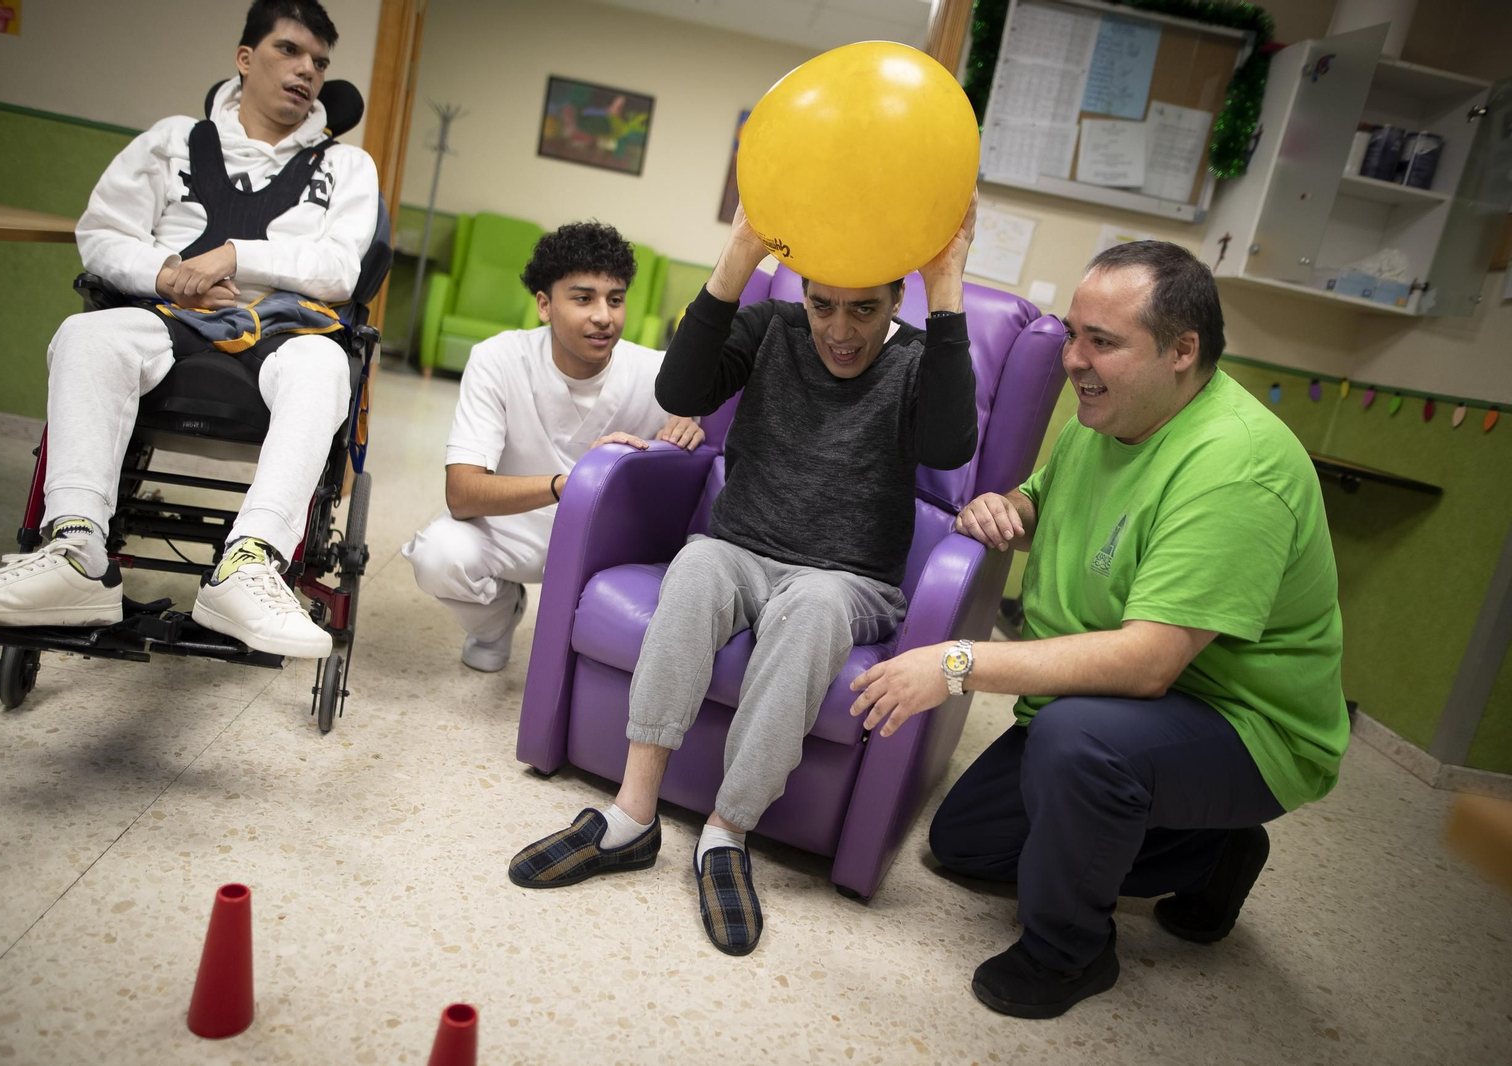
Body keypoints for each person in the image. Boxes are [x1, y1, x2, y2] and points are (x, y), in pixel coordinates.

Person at [848, 241, 1347, 1018]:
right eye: (1074, 334)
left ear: (1184, 351)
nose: (1074, 359)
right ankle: (1210, 848)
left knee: (1079, 748)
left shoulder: (1237, 468)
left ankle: (1068, 954)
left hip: (1241, 721)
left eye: (1103, 341)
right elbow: (1046, 497)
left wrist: (954, 663)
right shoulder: (1109, 412)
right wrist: (1007, 507)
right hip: (1132, 703)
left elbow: (1149, 663)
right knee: (967, 844)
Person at [507, 197, 981, 956]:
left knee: (815, 609)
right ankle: (632, 817)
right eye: (822, 305)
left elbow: (952, 447)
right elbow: (682, 393)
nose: (839, 330)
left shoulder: (921, 358)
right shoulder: (772, 330)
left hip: (846, 578)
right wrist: (741, 253)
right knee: (694, 564)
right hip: (738, 549)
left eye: (864, 310)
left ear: (897, 299)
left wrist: (947, 282)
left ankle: (727, 836)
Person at [0, 0, 377, 660]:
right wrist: (164, 273)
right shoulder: (171, 141)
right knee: (86, 337)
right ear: (245, 58)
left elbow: (338, 267)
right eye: (289, 51)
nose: (308, 71)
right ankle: (75, 552)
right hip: (169, 320)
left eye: (320, 62)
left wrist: (237, 256)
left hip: (283, 331)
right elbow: (101, 235)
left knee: (327, 367)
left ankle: (247, 565)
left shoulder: (347, 168)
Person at [401, 222, 704, 672]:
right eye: (583, 299)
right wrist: (571, 483)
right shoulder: (498, 360)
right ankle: (498, 618)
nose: (604, 316)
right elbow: (462, 494)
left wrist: (692, 418)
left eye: (615, 299)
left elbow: (705, 421)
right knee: (437, 556)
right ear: (544, 305)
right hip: (512, 526)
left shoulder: (660, 375)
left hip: (606, 541)